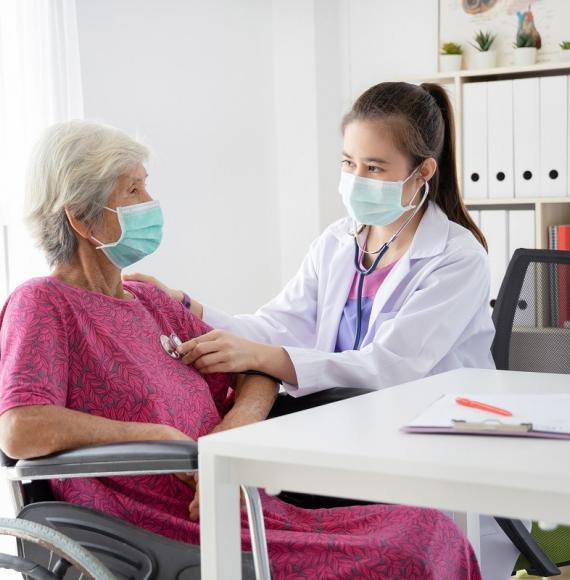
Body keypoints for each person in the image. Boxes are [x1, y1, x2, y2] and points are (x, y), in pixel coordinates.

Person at [0, 120, 481, 579]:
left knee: (429, 529)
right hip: (156, 529)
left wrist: (224, 441)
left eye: (146, 186)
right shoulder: (43, 303)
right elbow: (20, 428)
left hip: (236, 509)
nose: (150, 201)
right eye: (133, 190)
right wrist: (161, 437)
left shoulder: (149, 302)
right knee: (405, 557)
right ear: (82, 217)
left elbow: (255, 368)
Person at [129, 81, 495, 400]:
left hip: (428, 421)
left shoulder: (457, 258)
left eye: (374, 167)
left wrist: (256, 356)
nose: (356, 178)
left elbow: (390, 368)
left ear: (422, 172)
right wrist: (187, 306)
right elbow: (277, 327)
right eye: (349, 163)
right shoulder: (337, 243)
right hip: (343, 416)